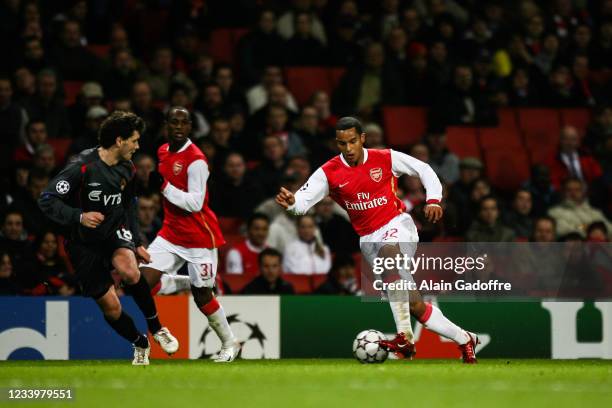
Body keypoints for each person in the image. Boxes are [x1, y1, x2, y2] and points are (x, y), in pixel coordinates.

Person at [275, 117, 479, 363]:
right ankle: (465, 338)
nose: (348, 149)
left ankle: (404, 339)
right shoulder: (329, 172)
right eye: (342, 144)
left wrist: (433, 199)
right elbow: (302, 205)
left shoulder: (385, 158)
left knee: (388, 255)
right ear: (336, 144)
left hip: (397, 225)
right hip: (368, 240)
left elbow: (424, 170)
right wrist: (292, 204)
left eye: (352, 141)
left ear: (362, 139)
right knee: (414, 305)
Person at [38, 111, 178, 365]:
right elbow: (47, 200)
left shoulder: (128, 168)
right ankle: (139, 342)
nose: (137, 146)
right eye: (134, 140)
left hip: (113, 233)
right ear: (119, 140)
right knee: (111, 308)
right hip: (82, 242)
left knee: (130, 271)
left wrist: (136, 241)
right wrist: (79, 216)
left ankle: (157, 329)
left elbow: (129, 203)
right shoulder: (81, 166)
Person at [141, 107, 240, 363]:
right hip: (171, 233)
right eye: (173, 122)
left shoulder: (196, 160)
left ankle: (230, 343)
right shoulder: (163, 151)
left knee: (203, 296)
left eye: (184, 123)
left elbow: (196, 203)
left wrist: (163, 187)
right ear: (166, 124)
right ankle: (184, 282)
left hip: (199, 237)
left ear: (190, 128)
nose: (178, 127)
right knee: (140, 282)